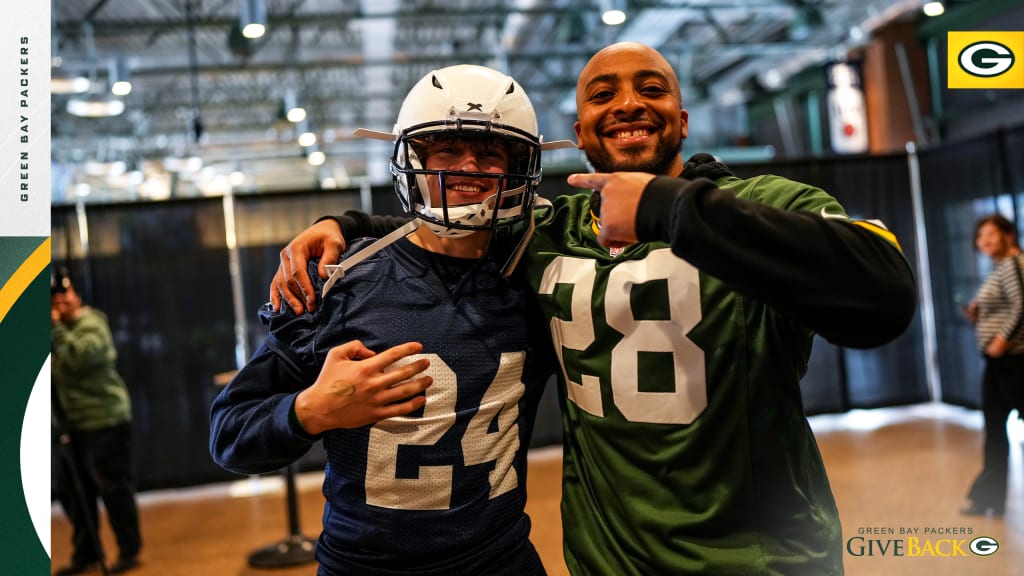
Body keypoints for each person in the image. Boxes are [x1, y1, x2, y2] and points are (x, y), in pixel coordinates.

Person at [270, 43, 917, 575]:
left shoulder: (757, 202)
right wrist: (345, 225)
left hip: (761, 559)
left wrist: (670, 206)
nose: (629, 103)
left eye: (652, 89)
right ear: (579, 133)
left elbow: (885, 295)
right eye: (603, 94)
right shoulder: (546, 230)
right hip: (607, 562)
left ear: (683, 120)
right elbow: (451, 217)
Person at [210, 64, 567, 575]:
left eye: (490, 152)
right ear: (413, 159)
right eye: (447, 149)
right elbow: (229, 436)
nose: (468, 166)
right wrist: (310, 410)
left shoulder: (535, 271)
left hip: (499, 560)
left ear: (519, 168)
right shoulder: (342, 279)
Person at [51, 268, 142, 575]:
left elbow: (81, 359)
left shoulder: (91, 323)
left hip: (106, 420)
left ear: (76, 296)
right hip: (72, 425)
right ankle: (87, 552)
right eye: (55, 300)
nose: (61, 303)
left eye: (65, 297)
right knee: (73, 491)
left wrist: (57, 329)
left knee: (113, 487)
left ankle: (129, 550)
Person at [960, 214, 1024, 518]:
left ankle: (988, 498)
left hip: (1014, 361)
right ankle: (989, 499)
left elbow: (1023, 306)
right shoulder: (1001, 268)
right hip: (998, 363)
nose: (983, 240)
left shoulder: (1014, 263)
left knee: (998, 428)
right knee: (995, 429)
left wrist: (1002, 338)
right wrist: (979, 313)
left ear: (1009, 236)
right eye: (979, 235)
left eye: (990, 234)